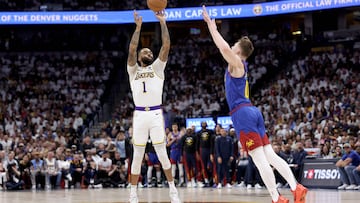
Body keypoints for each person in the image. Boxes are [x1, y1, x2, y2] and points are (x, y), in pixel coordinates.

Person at [202, 5, 307, 203]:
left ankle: (277, 198)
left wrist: (211, 26)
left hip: (242, 114)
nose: (230, 46)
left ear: (238, 50)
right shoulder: (241, 66)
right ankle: (296, 187)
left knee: (260, 160)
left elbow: (223, 48)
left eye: (234, 45)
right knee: (270, 156)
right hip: (252, 111)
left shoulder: (237, 64)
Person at [127, 10, 180, 203]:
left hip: (156, 114)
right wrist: (138, 28)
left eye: (150, 51)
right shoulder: (132, 70)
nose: (148, 52)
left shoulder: (157, 67)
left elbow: (166, 45)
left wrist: (163, 22)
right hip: (140, 115)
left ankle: (173, 191)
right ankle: (133, 193)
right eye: (145, 51)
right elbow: (132, 49)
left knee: (162, 153)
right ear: (140, 57)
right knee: (138, 155)